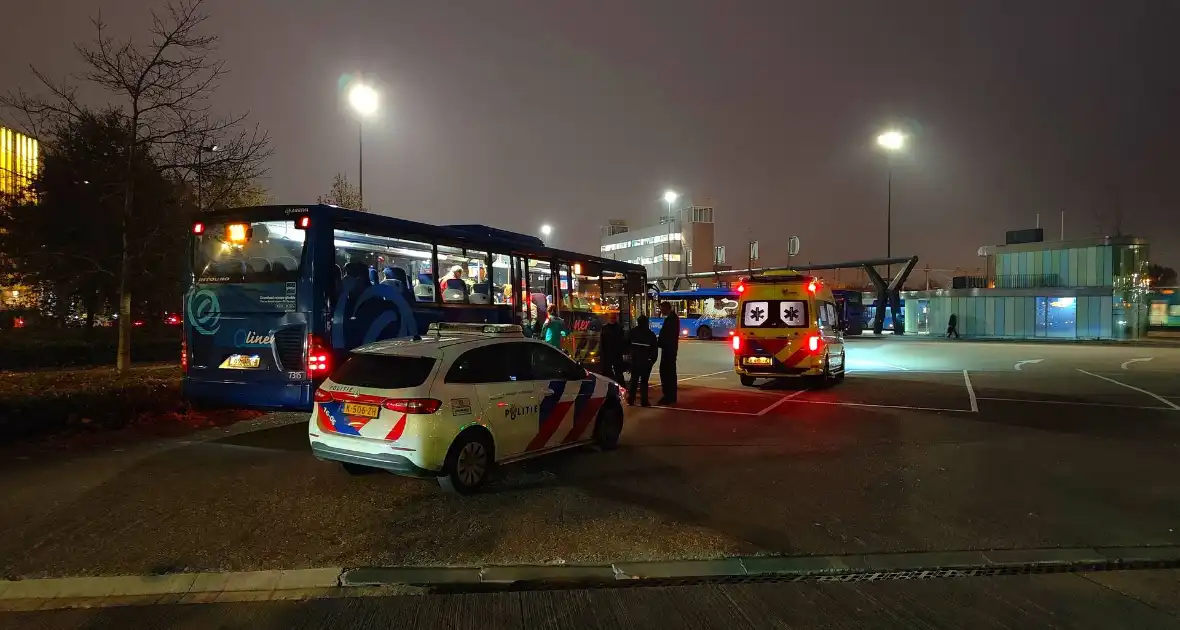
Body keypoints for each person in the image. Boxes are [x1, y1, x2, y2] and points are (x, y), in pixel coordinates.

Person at [627, 315, 658, 406]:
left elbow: (626, 344)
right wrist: (651, 361)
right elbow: (654, 350)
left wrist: (629, 358)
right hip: (645, 362)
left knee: (634, 381)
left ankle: (631, 400)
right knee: (644, 382)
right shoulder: (650, 334)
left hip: (635, 361)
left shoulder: (632, 332)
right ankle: (644, 401)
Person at [656, 301, 679, 405]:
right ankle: (671, 395)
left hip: (668, 351)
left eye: (662, 309)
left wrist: (659, 342)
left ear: (666, 309)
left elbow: (667, 336)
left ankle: (668, 396)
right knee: (670, 373)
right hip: (671, 350)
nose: (661, 311)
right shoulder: (673, 318)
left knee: (666, 373)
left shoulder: (671, 320)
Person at [599, 313, 625, 383]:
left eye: (613, 318)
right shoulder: (604, 328)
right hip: (608, 354)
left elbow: (622, 341)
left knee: (618, 373)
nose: (612, 319)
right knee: (607, 372)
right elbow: (602, 342)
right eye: (611, 318)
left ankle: (621, 386)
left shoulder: (619, 328)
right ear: (608, 318)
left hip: (616, 354)